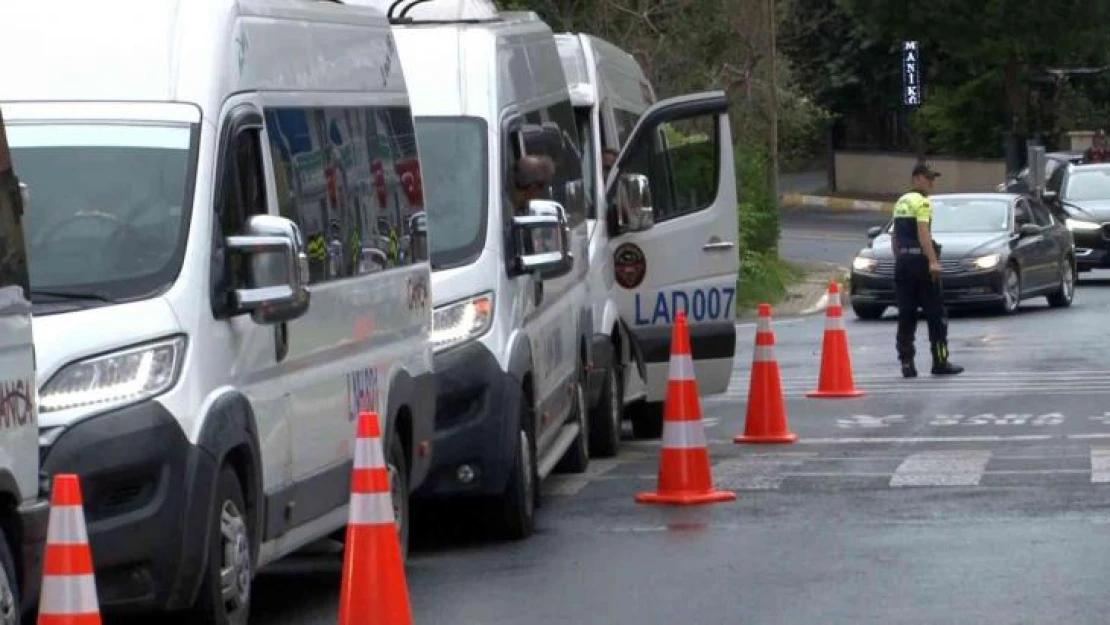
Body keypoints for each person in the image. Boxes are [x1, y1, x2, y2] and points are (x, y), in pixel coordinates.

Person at [890, 162, 963, 378]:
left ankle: (906, 363)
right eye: (928, 178)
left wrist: (900, 258)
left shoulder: (901, 201)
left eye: (932, 178)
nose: (931, 182)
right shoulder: (922, 203)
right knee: (936, 314)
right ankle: (940, 361)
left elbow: (894, 237)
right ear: (917, 179)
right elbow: (923, 233)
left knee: (906, 314)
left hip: (903, 262)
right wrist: (932, 261)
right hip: (921, 264)